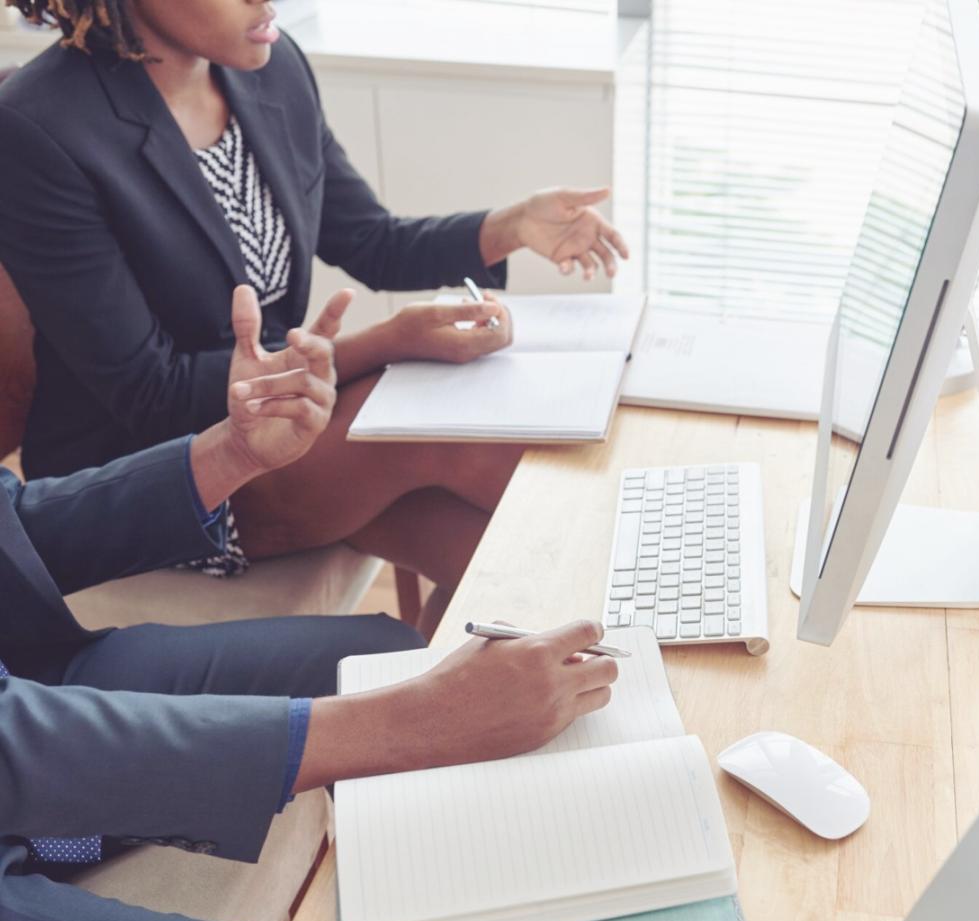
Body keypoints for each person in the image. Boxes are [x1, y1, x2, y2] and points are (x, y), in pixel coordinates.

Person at [0, 285, 619, 921]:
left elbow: (16, 525)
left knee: (388, 657)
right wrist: (405, 725)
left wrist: (230, 454)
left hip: (30, 681)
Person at [0, 0, 632, 634]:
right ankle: (662, 551)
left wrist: (511, 225)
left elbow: (370, 241)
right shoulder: (39, 125)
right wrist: (382, 344)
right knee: (455, 440)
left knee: (521, 576)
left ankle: (615, 632)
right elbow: (152, 393)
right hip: (158, 472)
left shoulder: (266, 66)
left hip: (284, 419)